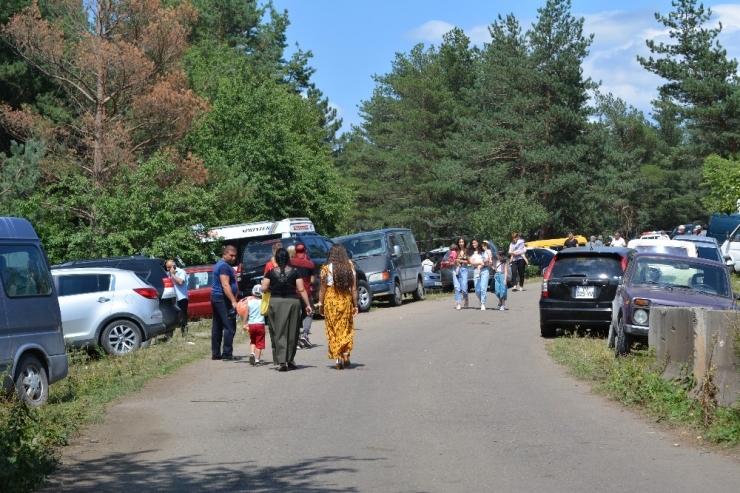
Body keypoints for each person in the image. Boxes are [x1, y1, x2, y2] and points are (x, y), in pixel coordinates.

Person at [260, 248, 312, 372]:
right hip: (293, 303)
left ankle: (281, 361)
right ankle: (290, 359)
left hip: (276, 303)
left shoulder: (271, 272)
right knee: (292, 332)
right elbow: (301, 289)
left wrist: (271, 289)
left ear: (276, 259)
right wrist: (308, 304)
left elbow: (263, 288)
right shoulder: (295, 272)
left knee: (278, 332)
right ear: (288, 259)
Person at [318, 244, 359, 370]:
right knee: (346, 327)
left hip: (331, 299)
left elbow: (322, 289)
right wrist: (355, 304)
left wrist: (320, 304)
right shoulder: (350, 266)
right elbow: (354, 288)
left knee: (333, 328)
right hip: (345, 299)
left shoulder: (325, 268)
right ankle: (346, 353)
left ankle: (337, 359)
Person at [211, 245, 238, 361]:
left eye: (235, 256)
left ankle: (216, 353)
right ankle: (227, 354)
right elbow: (225, 285)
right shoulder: (224, 267)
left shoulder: (220, 264)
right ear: (224, 254)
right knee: (229, 326)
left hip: (216, 297)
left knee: (217, 326)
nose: (233, 258)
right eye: (231, 256)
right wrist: (233, 301)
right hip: (222, 298)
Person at [290, 243, 315, 348]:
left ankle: (296, 339)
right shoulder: (310, 264)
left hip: (293, 293)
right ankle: (305, 333)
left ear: (295, 252)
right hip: (306, 293)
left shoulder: (290, 262)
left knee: (295, 316)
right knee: (309, 313)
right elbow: (312, 281)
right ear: (305, 251)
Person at [166, 259, 189, 338]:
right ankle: (169, 335)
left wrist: (172, 275)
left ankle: (184, 333)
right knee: (171, 316)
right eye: (167, 268)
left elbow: (180, 282)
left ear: (174, 266)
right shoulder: (167, 274)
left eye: (169, 267)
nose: (168, 269)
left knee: (183, 316)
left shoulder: (181, 272)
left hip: (181, 297)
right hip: (172, 298)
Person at [244, 285, 266, 366]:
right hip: (260, 324)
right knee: (259, 342)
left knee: (253, 340)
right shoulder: (262, 302)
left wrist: (244, 323)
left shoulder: (249, 302)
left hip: (251, 324)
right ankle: (257, 360)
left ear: (252, 293)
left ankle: (252, 353)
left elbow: (246, 313)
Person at [454, 237, 470, 309]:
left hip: (464, 269)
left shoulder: (467, 251)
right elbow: (452, 259)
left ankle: (466, 299)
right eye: (460, 242)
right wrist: (455, 261)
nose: (461, 243)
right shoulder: (455, 251)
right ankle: (458, 302)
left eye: (462, 242)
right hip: (456, 269)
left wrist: (460, 261)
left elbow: (468, 261)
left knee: (464, 287)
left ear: (464, 243)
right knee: (457, 287)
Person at [478, 240, 493, 310]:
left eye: (484, 245)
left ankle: (483, 303)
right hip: (481, 268)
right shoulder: (482, 252)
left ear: (487, 245)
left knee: (483, 288)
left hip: (485, 268)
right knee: (478, 289)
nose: (483, 247)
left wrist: (489, 260)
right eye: (482, 246)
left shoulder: (488, 251)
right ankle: (481, 300)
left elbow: (489, 257)